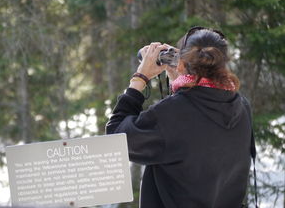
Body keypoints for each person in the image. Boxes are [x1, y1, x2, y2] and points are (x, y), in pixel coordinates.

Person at [106, 27, 253, 208]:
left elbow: (115, 140)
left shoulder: (171, 114)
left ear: (182, 64)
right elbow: (193, 133)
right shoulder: (241, 106)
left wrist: (139, 78)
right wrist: (179, 83)